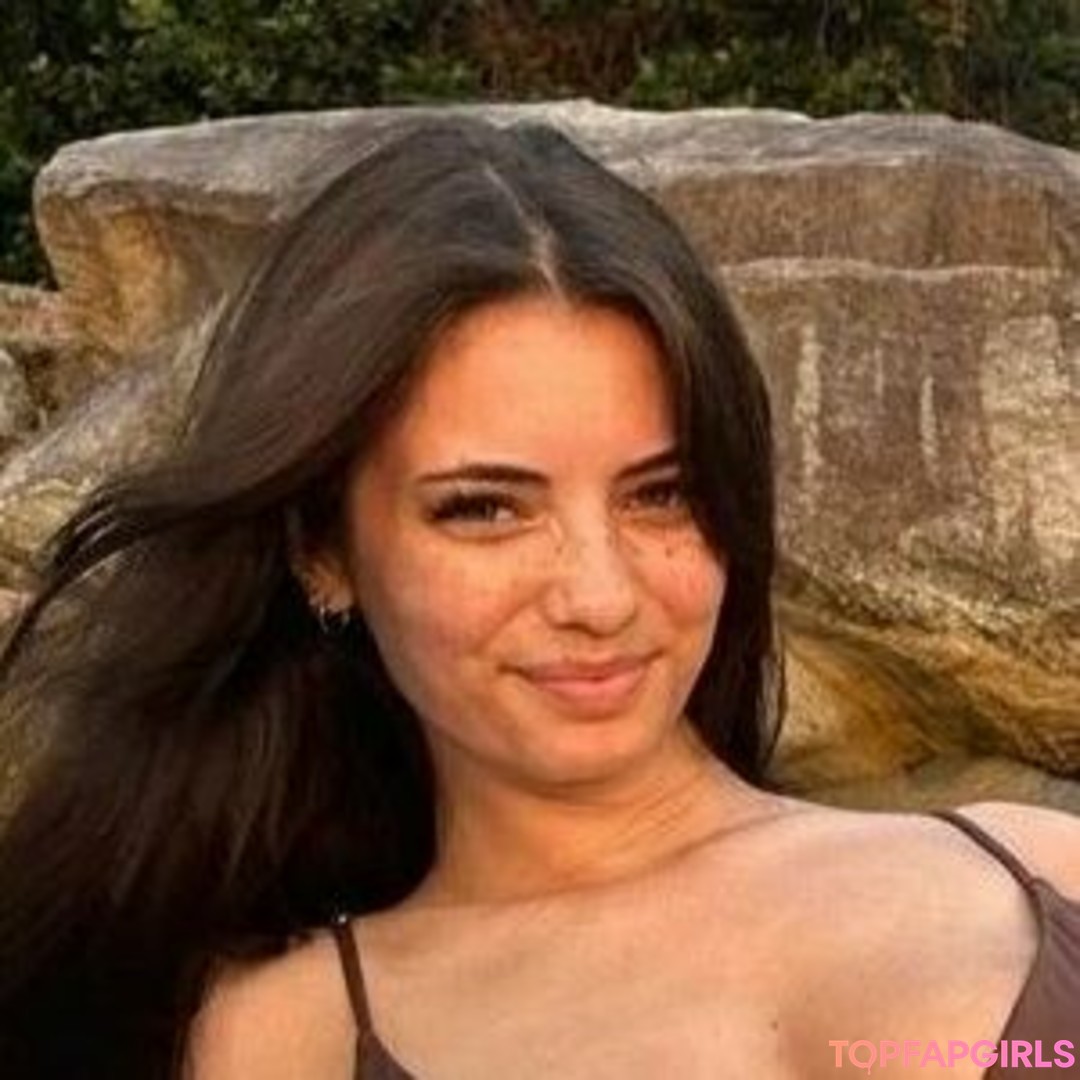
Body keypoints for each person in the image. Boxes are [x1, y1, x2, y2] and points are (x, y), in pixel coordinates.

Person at [0, 115, 1077, 1080]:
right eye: (483, 509)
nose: (600, 596)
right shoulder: (288, 1038)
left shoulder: (1044, 863)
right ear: (323, 552)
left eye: (661, 494)